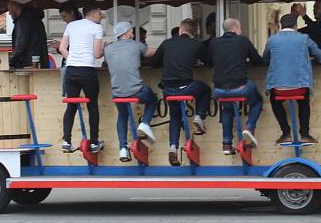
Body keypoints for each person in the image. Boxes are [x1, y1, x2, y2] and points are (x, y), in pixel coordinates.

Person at [148, 18, 211, 166]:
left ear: (180, 29)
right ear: (192, 32)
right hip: (187, 87)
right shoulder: (196, 44)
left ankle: (172, 148)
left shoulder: (166, 43)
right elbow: (209, 61)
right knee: (205, 89)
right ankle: (199, 116)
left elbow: (153, 64)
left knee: (175, 117)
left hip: (168, 90)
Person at [263, 13, 321, 144]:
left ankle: (286, 133)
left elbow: (264, 60)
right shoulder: (304, 38)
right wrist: (311, 58)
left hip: (278, 88)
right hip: (300, 86)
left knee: (275, 101)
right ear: (296, 26)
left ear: (281, 25)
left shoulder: (272, 40)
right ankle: (305, 134)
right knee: (304, 102)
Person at [206, 18, 264, 154]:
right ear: (236, 28)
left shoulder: (214, 42)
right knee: (257, 101)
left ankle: (226, 144)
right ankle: (249, 128)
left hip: (219, 90)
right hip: (240, 87)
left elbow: (208, 61)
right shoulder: (242, 40)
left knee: (227, 109)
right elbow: (257, 61)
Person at [103, 21, 158, 162]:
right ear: (127, 33)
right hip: (136, 91)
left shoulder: (108, 49)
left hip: (117, 92)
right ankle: (145, 124)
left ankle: (123, 149)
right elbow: (150, 53)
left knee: (122, 115)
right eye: (131, 31)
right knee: (152, 98)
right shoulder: (135, 44)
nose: (132, 33)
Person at [59, 7, 105, 153]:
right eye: (100, 14)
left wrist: (72, 59)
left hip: (71, 70)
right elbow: (97, 54)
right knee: (92, 106)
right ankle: (93, 142)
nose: (101, 17)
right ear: (93, 14)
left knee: (71, 106)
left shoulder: (71, 25)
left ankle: (66, 141)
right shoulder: (97, 28)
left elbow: (62, 48)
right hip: (87, 70)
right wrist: (106, 48)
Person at [7, 1, 50, 69]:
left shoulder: (22, 21)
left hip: (26, 64)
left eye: (9, 10)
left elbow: (20, 46)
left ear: (14, 7)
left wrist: (10, 62)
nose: (9, 13)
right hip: (40, 63)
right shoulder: (37, 19)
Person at [51, 4, 82, 95]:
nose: (63, 19)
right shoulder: (73, 26)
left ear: (72, 13)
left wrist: (61, 47)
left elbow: (76, 48)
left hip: (74, 67)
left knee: (71, 97)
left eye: (65, 16)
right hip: (73, 64)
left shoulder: (77, 27)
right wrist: (60, 47)